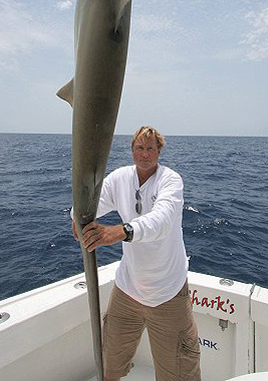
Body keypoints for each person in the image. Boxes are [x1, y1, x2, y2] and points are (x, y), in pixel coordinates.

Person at [72, 126, 202, 381]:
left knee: (179, 374)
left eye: (151, 148)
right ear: (132, 150)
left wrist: (121, 231)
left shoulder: (171, 181)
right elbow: (89, 203)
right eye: (140, 148)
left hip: (168, 293)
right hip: (127, 290)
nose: (145, 154)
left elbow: (162, 220)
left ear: (159, 151)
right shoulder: (120, 178)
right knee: (109, 364)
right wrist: (77, 217)